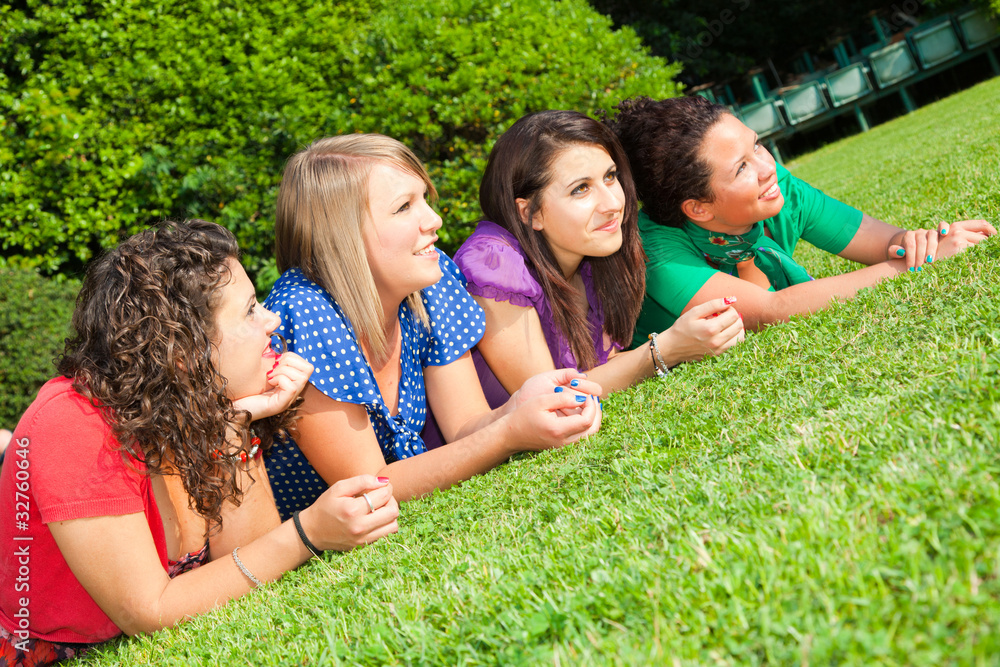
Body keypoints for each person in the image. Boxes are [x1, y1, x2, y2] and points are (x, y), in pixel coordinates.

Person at [0, 220, 399, 666]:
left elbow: (248, 567)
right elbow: (149, 612)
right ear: (184, 352)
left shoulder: (193, 407)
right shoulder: (74, 425)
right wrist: (308, 533)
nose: (273, 320)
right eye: (250, 310)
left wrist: (237, 424)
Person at [263, 134, 602, 519]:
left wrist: (522, 404)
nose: (434, 220)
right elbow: (371, 487)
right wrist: (509, 434)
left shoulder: (429, 279)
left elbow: (466, 426)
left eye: (424, 198)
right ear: (342, 236)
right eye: (404, 207)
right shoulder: (305, 312)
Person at [604, 95, 996, 341]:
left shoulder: (778, 188)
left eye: (756, 145)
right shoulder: (656, 251)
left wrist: (926, 244)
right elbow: (770, 311)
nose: (766, 167)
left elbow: (882, 243)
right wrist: (917, 264)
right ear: (698, 208)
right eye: (740, 168)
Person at [453, 110, 744, 405]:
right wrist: (666, 348)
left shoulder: (590, 260)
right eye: (581, 189)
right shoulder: (493, 262)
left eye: (610, 176)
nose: (614, 203)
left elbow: (604, 371)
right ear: (530, 213)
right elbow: (549, 400)